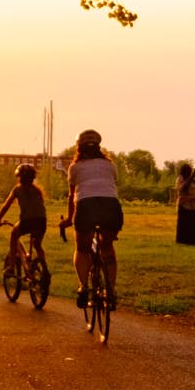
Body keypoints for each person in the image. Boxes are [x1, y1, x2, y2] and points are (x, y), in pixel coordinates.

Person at [58, 129, 123, 310]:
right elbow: (110, 186)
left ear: (79, 147)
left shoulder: (75, 167)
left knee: (83, 248)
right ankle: (110, 292)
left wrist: (70, 219)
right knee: (107, 247)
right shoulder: (110, 166)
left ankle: (84, 287)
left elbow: (72, 196)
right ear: (99, 147)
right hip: (111, 207)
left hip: (86, 207)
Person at [0, 163, 49, 282]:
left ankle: (12, 267)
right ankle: (44, 269)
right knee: (37, 245)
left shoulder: (17, 189)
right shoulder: (37, 190)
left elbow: (6, 206)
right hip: (42, 221)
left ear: (19, 177)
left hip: (27, 221)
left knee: (14, 235)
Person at [174, 162, 195, 245]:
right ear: (184, 171)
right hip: (185, 205)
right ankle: (185, 241)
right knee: (186, 225)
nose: (190, 172)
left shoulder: (191, 180)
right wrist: (191, 177)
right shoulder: (180, 179)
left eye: (190, 171)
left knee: (194, 225)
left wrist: (194, 180)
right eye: (188, 171)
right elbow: (183, 189)